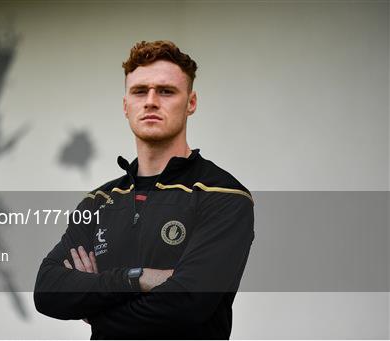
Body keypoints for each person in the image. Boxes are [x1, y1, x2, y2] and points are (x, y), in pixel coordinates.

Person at [34, 40, 254, 339]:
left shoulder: (222, 195)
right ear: (126, 106)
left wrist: (95, 305)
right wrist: (136, 279)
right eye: (140, 91)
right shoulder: (98, 203)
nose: (151, 101)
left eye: (166, 91)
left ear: (191, 102)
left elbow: (187, 305)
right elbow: (48, 290)